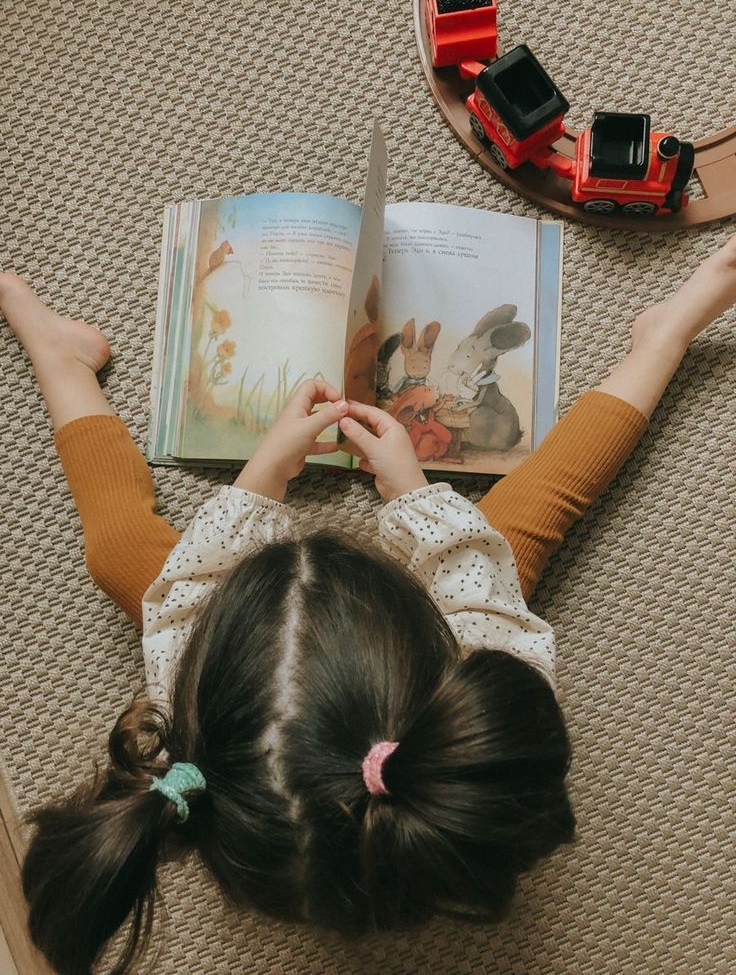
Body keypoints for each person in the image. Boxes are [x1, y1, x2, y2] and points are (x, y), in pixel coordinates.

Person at [2, 234, 734, 975]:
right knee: (531, 513)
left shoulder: (187, 677)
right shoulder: (497, 678)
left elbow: (187, 588)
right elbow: (469, 564)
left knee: (119, 549)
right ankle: (664, 336)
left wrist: (260, 477)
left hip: (305, 852)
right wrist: (415, 497)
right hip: (411, 753)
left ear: (215, 657)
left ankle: (62, 361)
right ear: (440, 642)